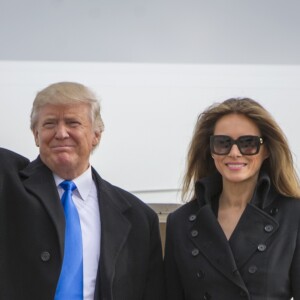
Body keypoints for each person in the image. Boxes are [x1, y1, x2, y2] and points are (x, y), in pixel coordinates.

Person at [0, 82, 164, 300]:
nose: (61, 133)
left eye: (72, 123)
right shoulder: (8, 185)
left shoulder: (139, 219)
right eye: (49, 124)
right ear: (36, 135)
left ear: (96, 134)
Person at [164, 98, 300, 300]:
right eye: (222, 143)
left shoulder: (293, 216)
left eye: (247, 144)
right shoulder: (181, 222)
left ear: (266, 150)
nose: (234, 153)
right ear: (211, 150)